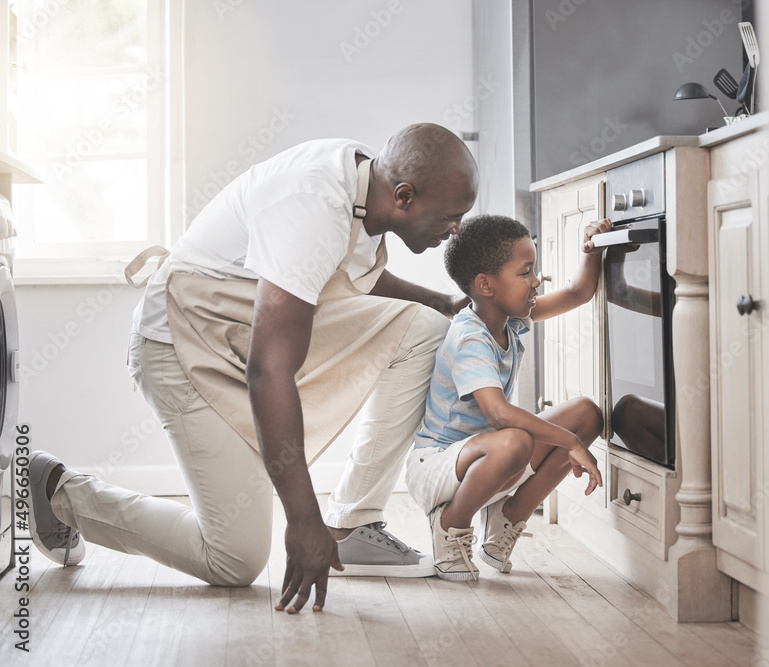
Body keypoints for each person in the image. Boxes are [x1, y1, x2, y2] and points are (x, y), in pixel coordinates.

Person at [25, 123, 479, 614]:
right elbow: (268, 371)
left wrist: (438, 300)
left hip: (241, 334)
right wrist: (302, 519)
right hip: (181, 344)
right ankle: (56, 489)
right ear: (405, 197)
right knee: (235, 559)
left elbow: (350, 271)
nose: (455, 230)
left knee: (426, 328)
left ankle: (351, 524)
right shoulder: (314, 206)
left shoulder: (369, 183)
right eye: (452, 217)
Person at [404, 213, 610, 580]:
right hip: (437, 465)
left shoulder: (508, 319)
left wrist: (591, 249)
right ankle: (450, 525)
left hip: (491, 458)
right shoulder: (471, 337)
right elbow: (498, 414)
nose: (536, 281)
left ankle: (507, 517)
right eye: (525, 272)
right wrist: (569, 442)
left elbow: (579, 293)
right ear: (486, 285)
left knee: (586, 414)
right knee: (514, 439)